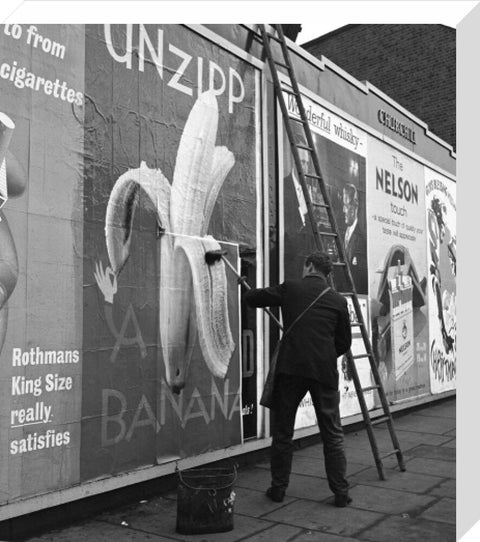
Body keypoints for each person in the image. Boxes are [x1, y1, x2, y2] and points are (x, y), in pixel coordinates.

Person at [245, 251, 352, 507]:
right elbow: (343, 342)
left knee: (283, 432)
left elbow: (255, 298)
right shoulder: (338, 300)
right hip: (323, 371)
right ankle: (340, 493)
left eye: (304, 266)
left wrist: (245, 286)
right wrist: (323, 353)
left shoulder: (291, 288)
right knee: (332, 434)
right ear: (327, 273)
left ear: (309, 266)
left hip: (291, 369)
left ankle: (278, 489)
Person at [342, 183, 367, 293]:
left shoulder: (361, 238)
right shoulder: (343, 231)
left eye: (346, 205)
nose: (343, 210)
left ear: (354, 207)